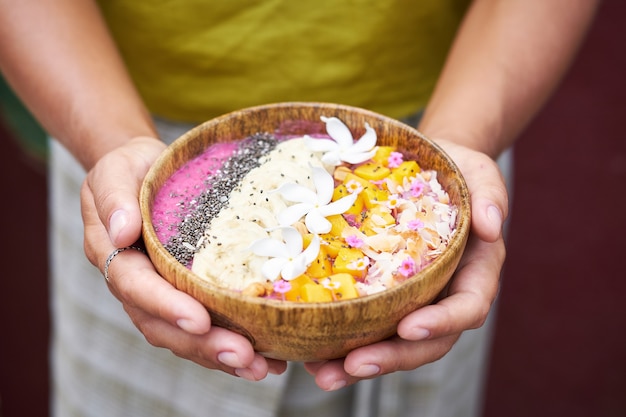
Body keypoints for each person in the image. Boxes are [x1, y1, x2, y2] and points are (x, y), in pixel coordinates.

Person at [0, 1, 599, 416]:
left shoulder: (432, 182)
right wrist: (112, 142)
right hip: (127, 137)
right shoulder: (141, 179)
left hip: (440, 128)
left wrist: (460, 139)